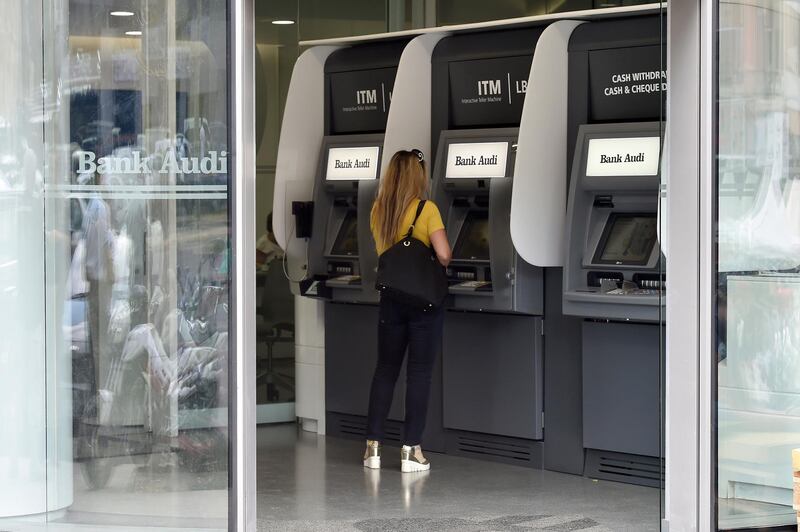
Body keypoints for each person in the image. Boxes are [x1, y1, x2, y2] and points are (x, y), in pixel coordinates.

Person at [364, 149, 451, 473]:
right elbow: (443, 255)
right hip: (424, 303)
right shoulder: (427, 209)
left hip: (391, 299)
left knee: (385, 370)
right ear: (418, 176)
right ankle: (411, 449)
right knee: (419, 374)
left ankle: (372, 447)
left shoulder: (378, 210)